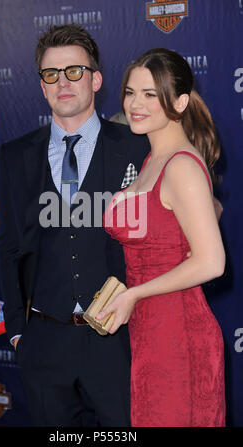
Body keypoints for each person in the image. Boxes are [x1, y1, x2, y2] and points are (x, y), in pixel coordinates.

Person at [0, 24, 150, 426]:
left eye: (74, 71)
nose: (63, 82)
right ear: (42, 86)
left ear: (96, 79)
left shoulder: (137, 146)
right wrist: (18, 331)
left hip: (119, 341)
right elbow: (9, 247)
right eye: (51, 74)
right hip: (44, 342)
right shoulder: (15, 156)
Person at [99, 48, 226, 427]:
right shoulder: (152, 160)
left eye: (150, 94)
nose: (135, 104)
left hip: (179, 334)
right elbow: (189, 221)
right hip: (149, 330)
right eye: (130, 92)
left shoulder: (180, 165)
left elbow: (212, 262)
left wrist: (134, 294)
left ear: (180, 101)